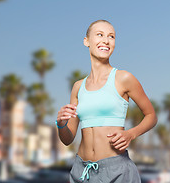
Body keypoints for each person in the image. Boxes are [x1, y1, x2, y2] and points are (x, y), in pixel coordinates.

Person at [56, 20, 157, 183]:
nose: (106, 40)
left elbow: (151, 115)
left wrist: (130, 134)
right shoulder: (78, 87)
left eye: (111, 36)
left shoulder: (124, 78)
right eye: (100, 35)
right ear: (86, 41)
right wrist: (61, 123)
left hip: (116, 170)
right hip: (81, 172)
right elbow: (67, 139)